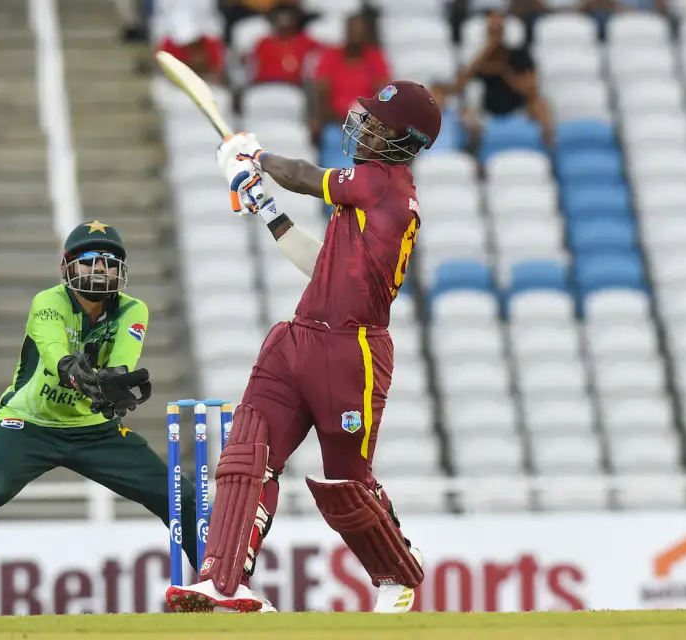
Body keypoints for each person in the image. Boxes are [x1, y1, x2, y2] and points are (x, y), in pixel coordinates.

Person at [165, 81, 441, 614]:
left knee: (344, 483)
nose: (362, 126)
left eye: (376, 123)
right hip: (298, 337)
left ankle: (397, 570)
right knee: (248, 454)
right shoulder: (368, 193)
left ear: (404, 140)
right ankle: (223, 582)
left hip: (352, 351)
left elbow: (303, 176)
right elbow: (323, 267)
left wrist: (255, 156)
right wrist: (265, 207)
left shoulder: (384, 183)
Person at [0, 221, 198, 617]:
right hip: (29, 424)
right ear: (67, 266)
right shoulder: (48, 301)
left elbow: (122, 360)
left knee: (179, 495)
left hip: (93, 429)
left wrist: (114, 381)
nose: (99, 269)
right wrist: (74, 371)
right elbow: (53, 350)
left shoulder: (133, 309)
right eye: (89, 260)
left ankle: (221, 586)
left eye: (109, 262)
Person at [452, 10, 553, 145]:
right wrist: (487, 51)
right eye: (492, 31)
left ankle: (548, 148)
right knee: (465, 111)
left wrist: (503, 71)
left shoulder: (519, 54)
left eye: (498, 30)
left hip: (518, 108)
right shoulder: (478, 58)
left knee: (540, 104)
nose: (496, 35)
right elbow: (459, 87)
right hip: (486, 111)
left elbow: (531, 89)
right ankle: (472, 149)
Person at [310, 10, 391, 146]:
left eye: (359, 31)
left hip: (368, 125)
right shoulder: (330, 57)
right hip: (335, 123)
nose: (355, 35)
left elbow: (384, 92)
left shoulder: (376, 58)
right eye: (352, 30)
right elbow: (321, 92)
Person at [248, 3, 322, 86]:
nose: (284, 23)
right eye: (280, 19)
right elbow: (251, 63)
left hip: (296, 86)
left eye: (288, 19)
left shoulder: (306, 41)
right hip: (266, 84)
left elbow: (324, 53)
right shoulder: (264, 43)